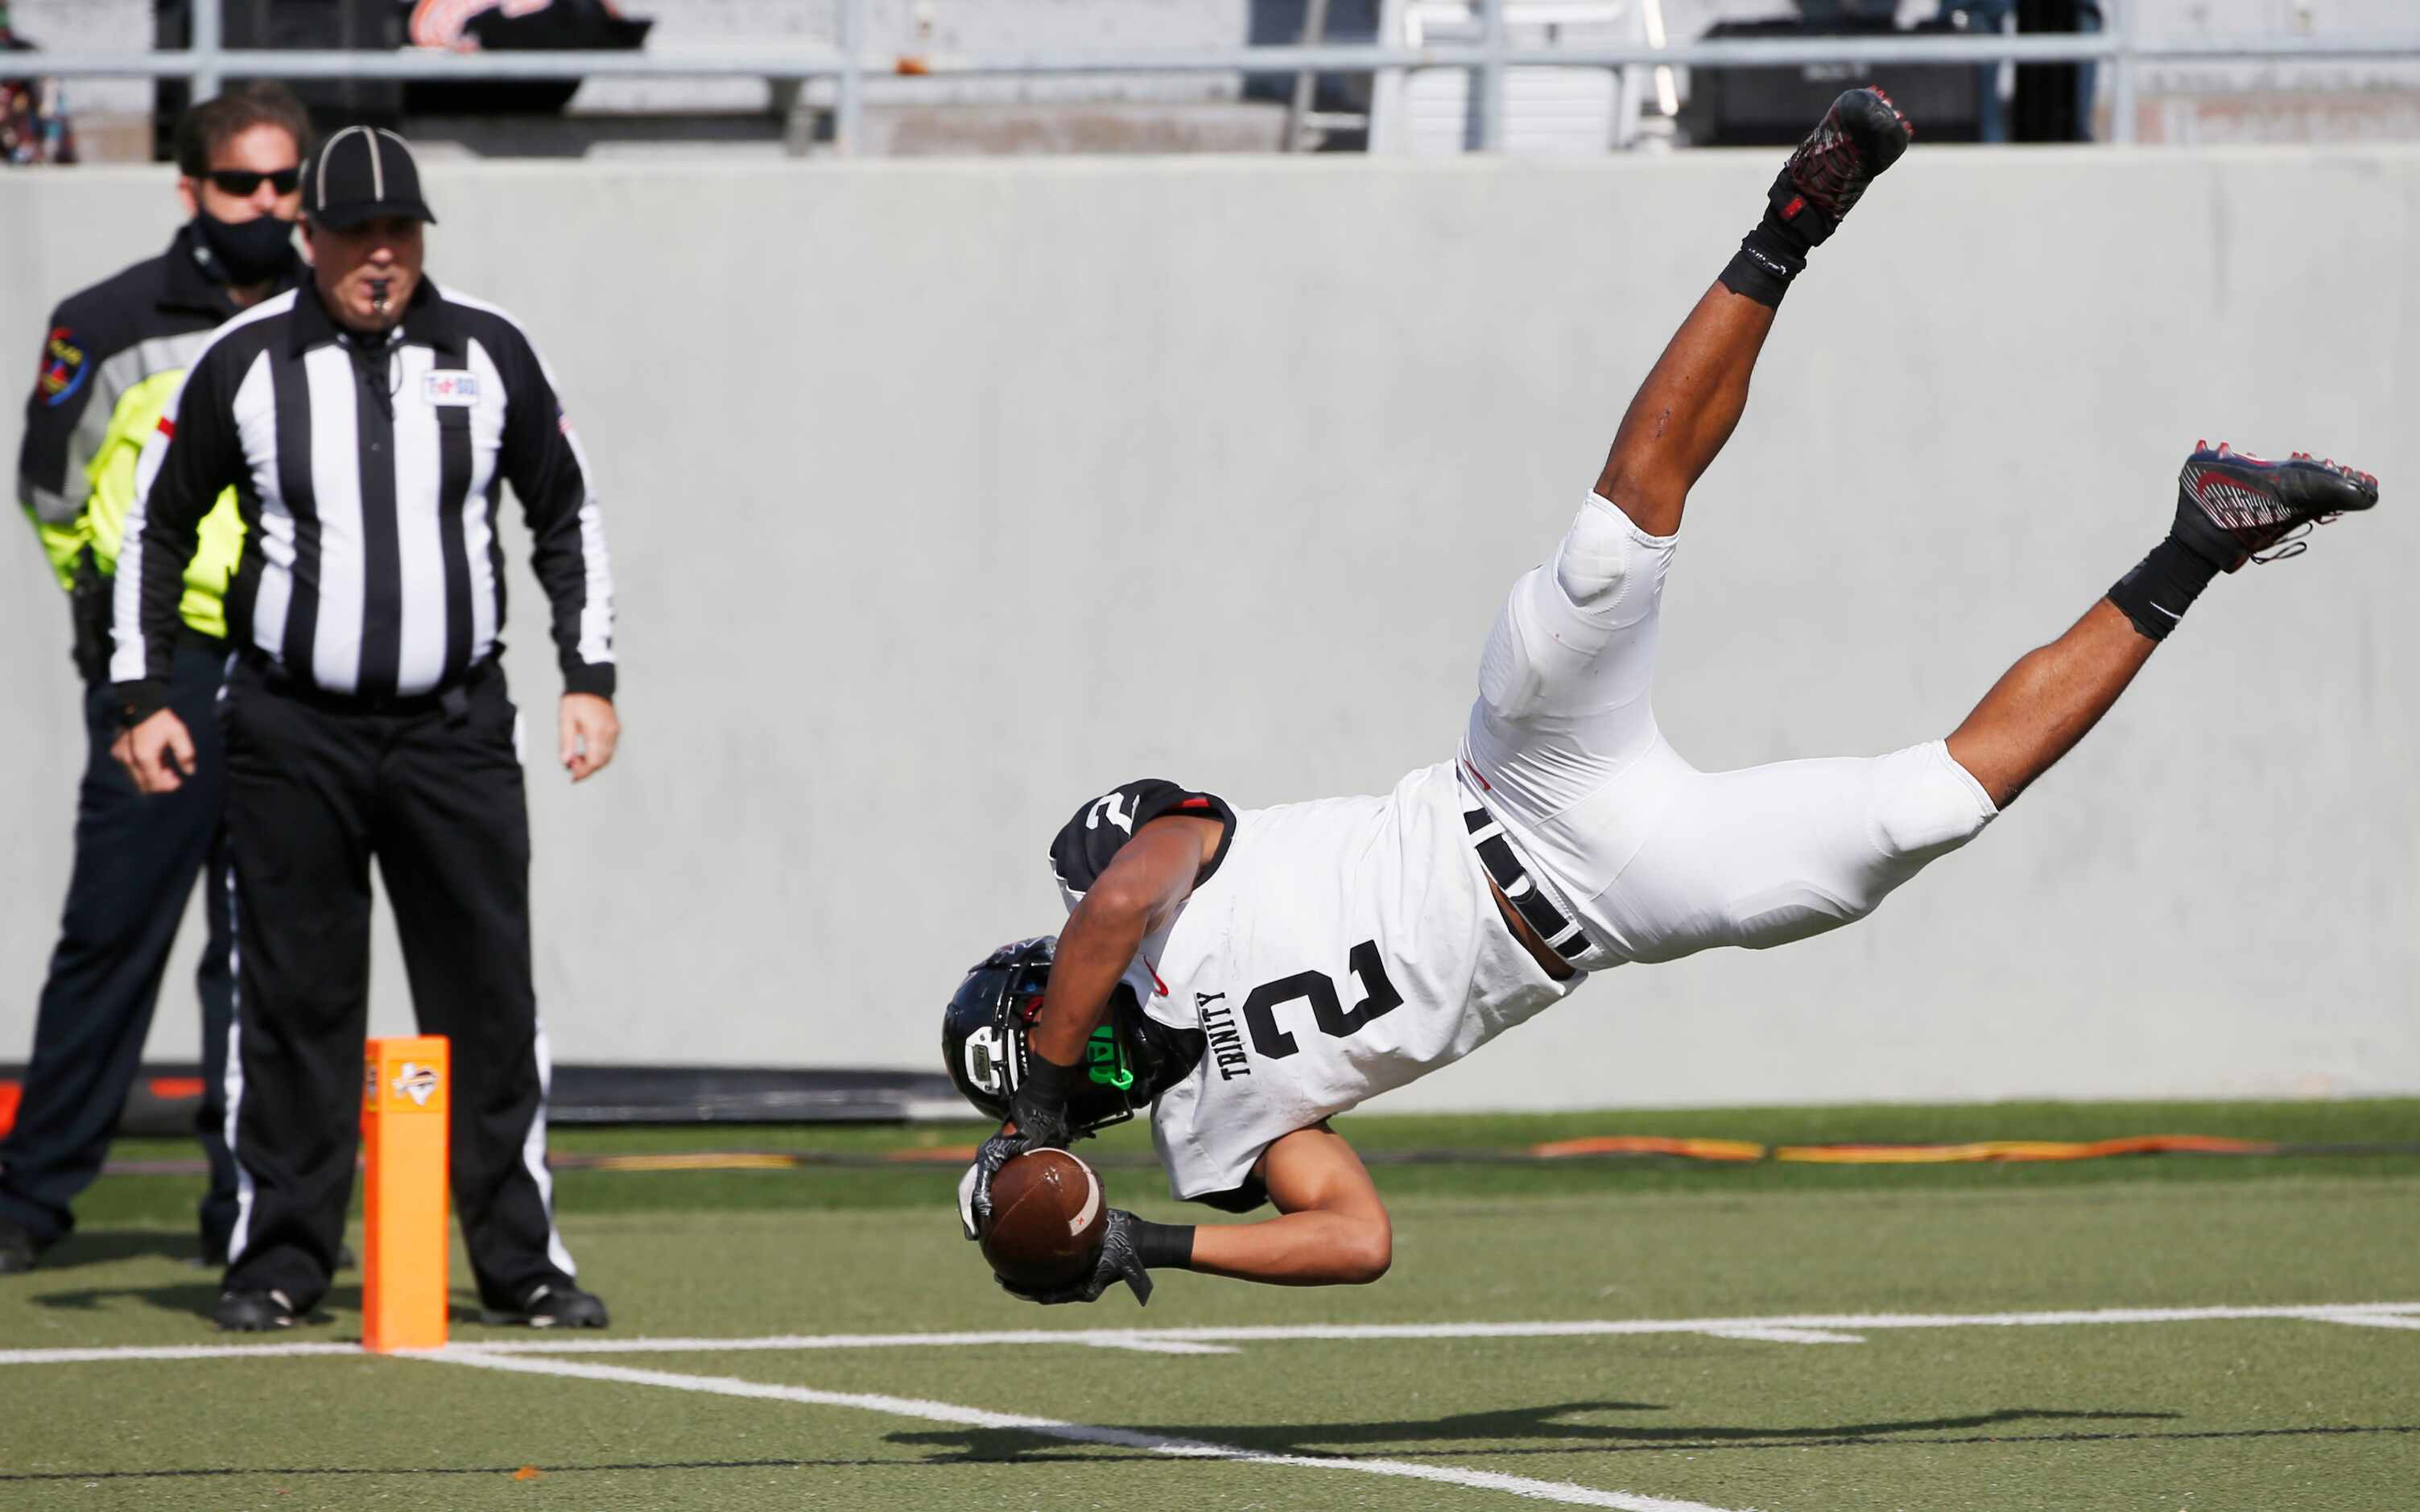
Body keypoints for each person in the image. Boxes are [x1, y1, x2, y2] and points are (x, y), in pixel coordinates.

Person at [943, 89, 2380, 1305]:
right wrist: (1148, 1234)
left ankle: (1795, 217)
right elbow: (1359, 1238)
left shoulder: (1127, 883)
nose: (1077, 1078)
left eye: (1050, 1060)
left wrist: (1049, 1097)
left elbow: (1121, 900)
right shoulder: (1211, 1136)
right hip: (1609, 905)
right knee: (1921, 815)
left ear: (1045, 1008)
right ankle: (2204, 534)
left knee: (1614, 537)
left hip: (1506, 781)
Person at [109, 125, 622, 1332]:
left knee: (489, 992)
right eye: (355, 233)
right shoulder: (243, 361)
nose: (380, 256)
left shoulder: (490, 351)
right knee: (294, 998)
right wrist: (145, 698)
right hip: (293, 727)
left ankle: (519, 1259)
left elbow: (566, 514)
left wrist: (587, 673)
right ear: (310, 236)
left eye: (400, 231)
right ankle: (280, 1257)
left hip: (454, 727)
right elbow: (154, 529)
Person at [4, 84, 311, 1275]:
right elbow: (55, 496)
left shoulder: (329, 315)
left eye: (287, 184)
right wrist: (124, 657)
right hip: (163, 670)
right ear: (189, 189)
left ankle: (247, 1204)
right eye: (243, 183)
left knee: (266, 948)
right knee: (112, 935)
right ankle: (32, 1200)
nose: (268, 206)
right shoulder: (110, 318)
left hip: (291, 672)